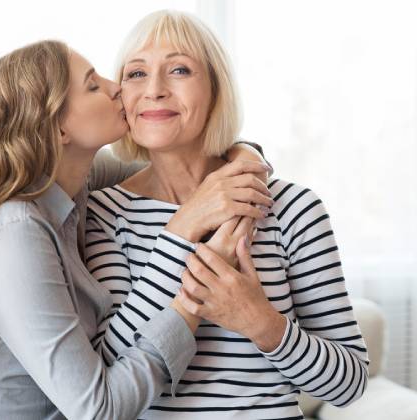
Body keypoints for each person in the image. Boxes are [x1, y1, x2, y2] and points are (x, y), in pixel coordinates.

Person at [0, 39, 271, 420]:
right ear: (60, 128)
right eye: (93, 85)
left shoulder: (75, 181)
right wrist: (191, 298)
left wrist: (246, 157)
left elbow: (181, 173)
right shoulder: (16, 231)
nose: (116, 87)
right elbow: (98, 409)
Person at [86, 10, 368, 419]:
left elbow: (350, 384)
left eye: (179, 69)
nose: (155, 90)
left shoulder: (293, 209)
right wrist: (182, 230)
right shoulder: (103, 213)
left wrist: (262, 323)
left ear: (217, 91)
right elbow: (108, 369)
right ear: (121, 100)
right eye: (135, 74)